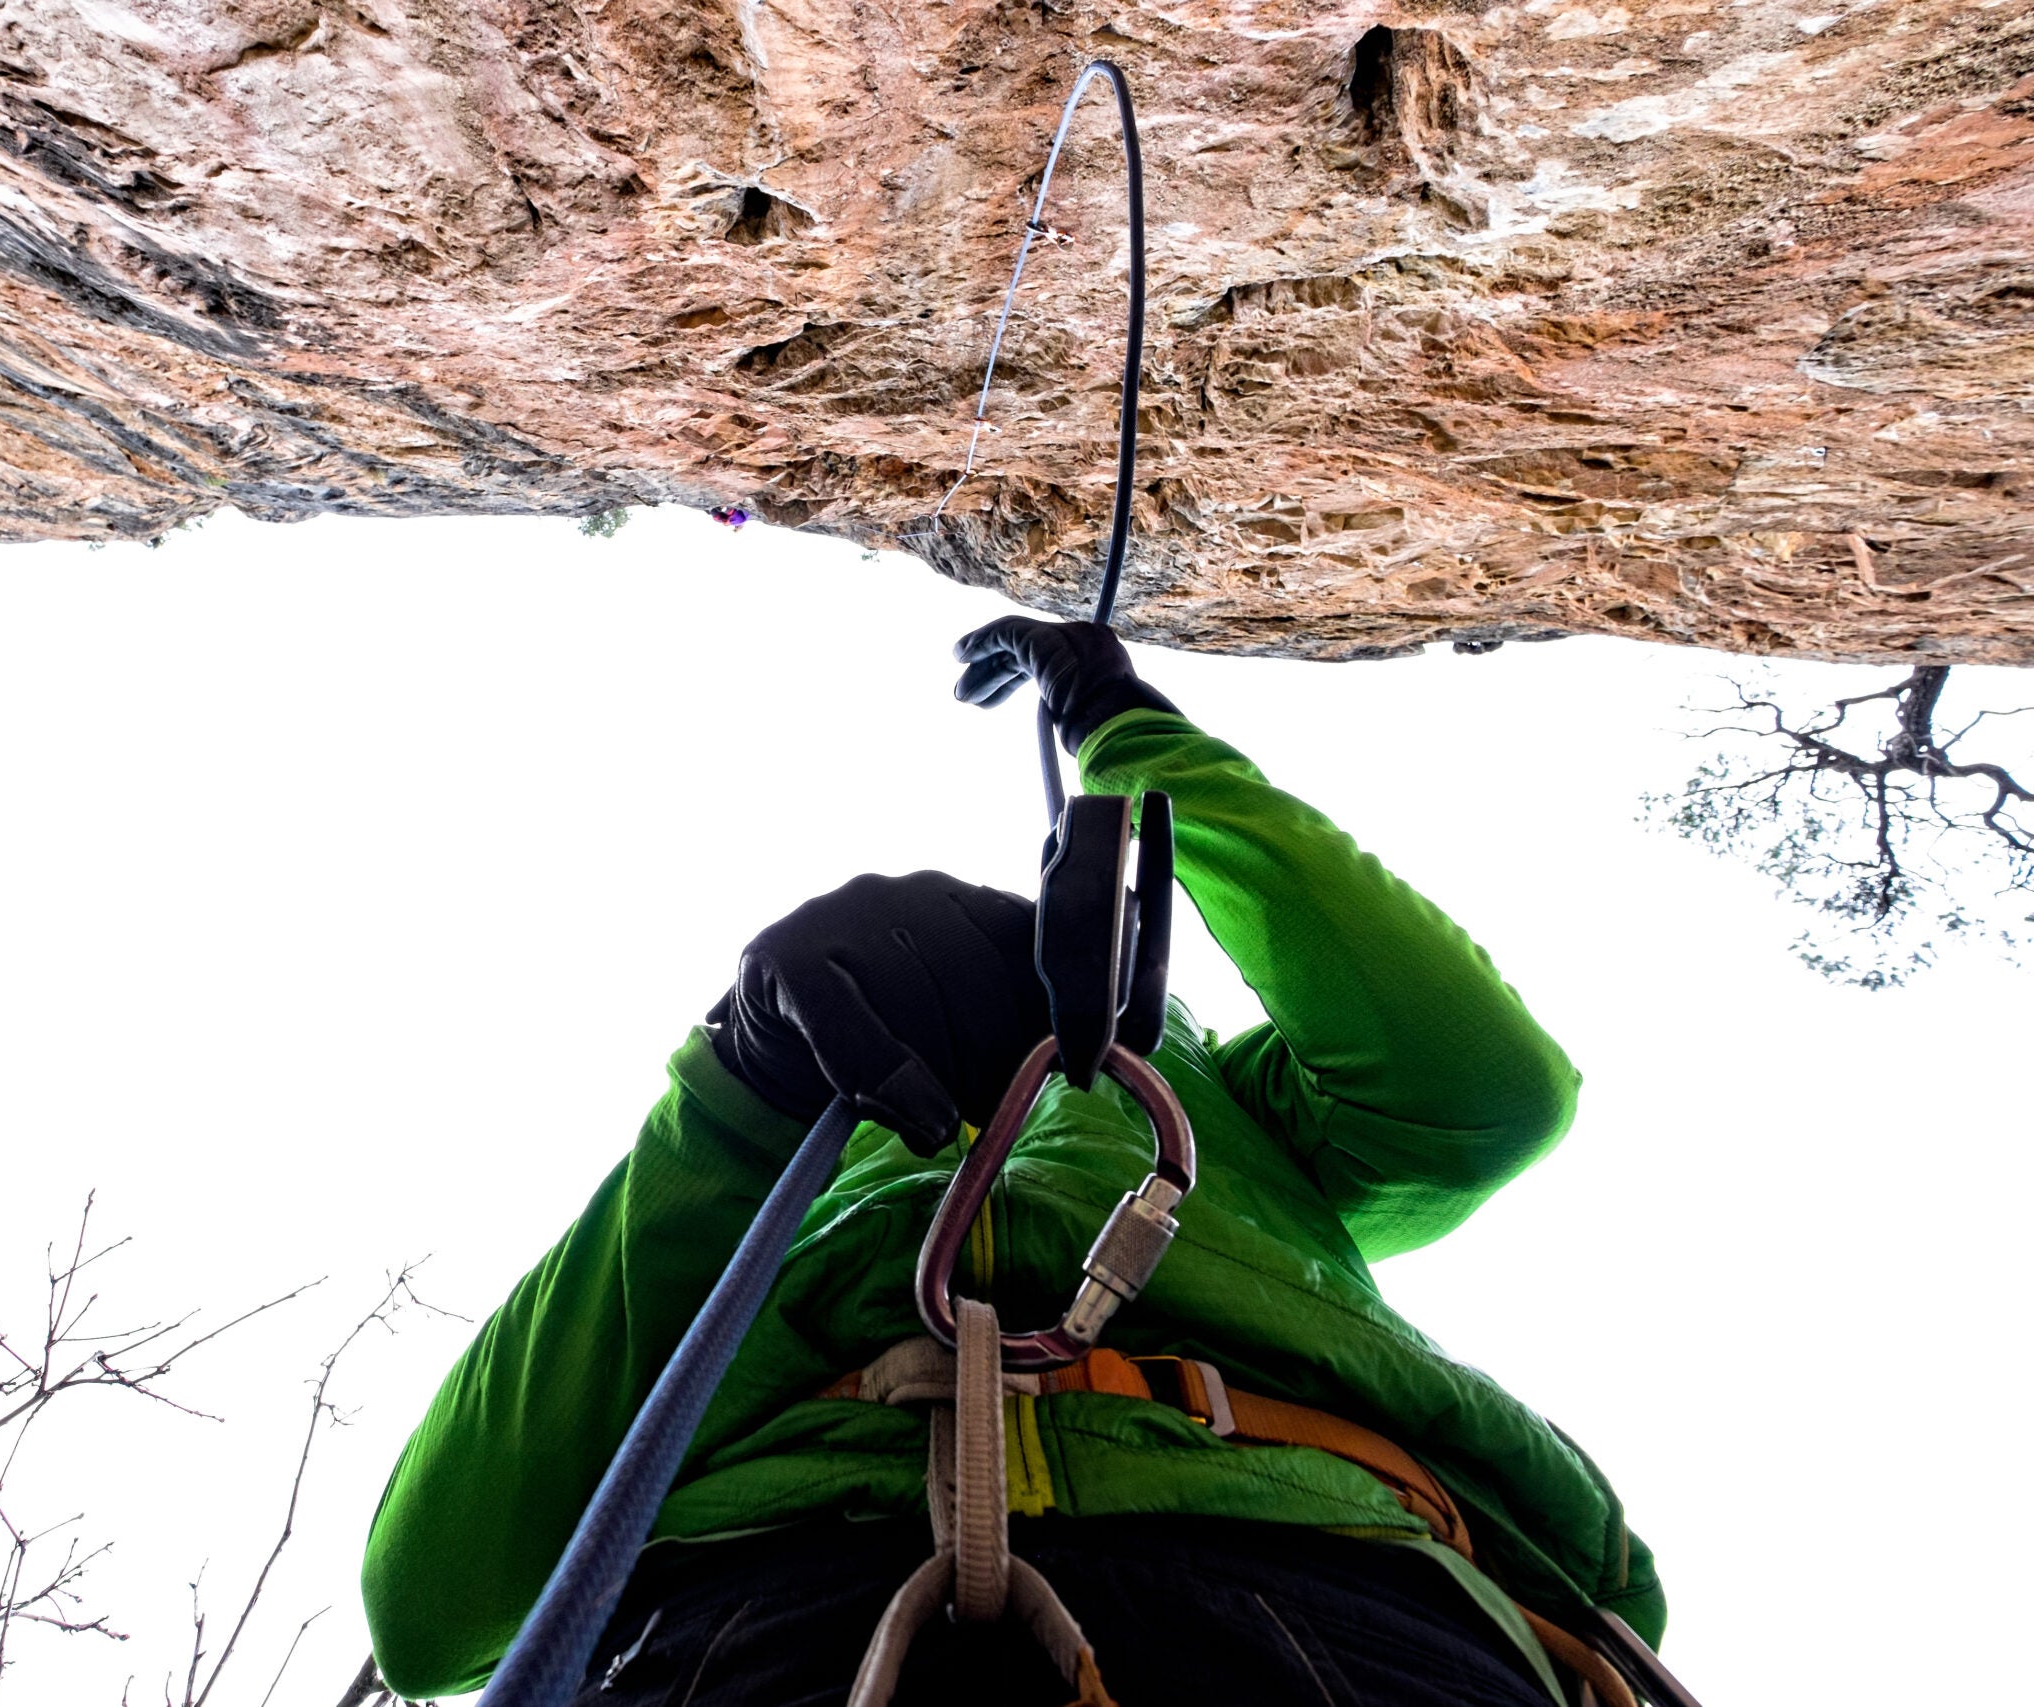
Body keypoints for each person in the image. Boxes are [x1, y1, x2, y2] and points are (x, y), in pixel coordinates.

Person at [360, 617, 1667, 1706]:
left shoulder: (1242, 1112)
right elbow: (434, 1604)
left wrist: (1122, 733)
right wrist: (747, 1088)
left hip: (1311, 1586)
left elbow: (1485, 1089)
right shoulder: (774, 1181)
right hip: (795, 1608)